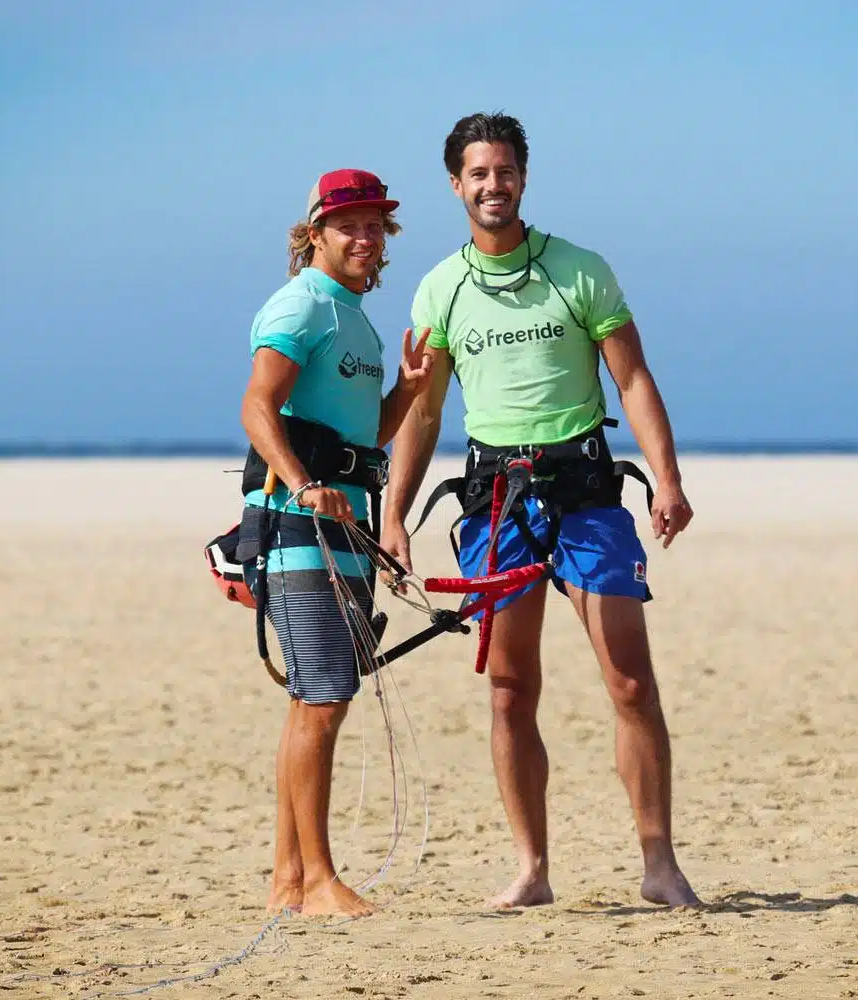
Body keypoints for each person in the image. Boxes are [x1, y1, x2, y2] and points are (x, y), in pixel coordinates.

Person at [381, 114, 701, 909]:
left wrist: (666, 479)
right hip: (496, 501)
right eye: (478, 174)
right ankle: (532, 869)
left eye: (506, 171)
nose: (494, 185)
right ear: (456, 185)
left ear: (524, 176)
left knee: (629, 682)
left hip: (587, 494)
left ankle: (659, 864)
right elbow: (422, 413)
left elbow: (632, 380)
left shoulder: (579, 270)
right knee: (509, 690)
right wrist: (396, 514)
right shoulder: (439, 288)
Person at [239, 168, 433, 917]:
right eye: (348, 224)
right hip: (299, 531)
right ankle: (317, 879)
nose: (364, 237)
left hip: (346, 529)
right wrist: (296, 482)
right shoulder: (303, 304)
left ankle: (288, 881)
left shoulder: (356, 318)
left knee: (316, 702)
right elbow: (258, 405)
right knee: (322, 696)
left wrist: (409, 392)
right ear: (315, 232)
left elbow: (365, 438)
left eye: (376, 225)